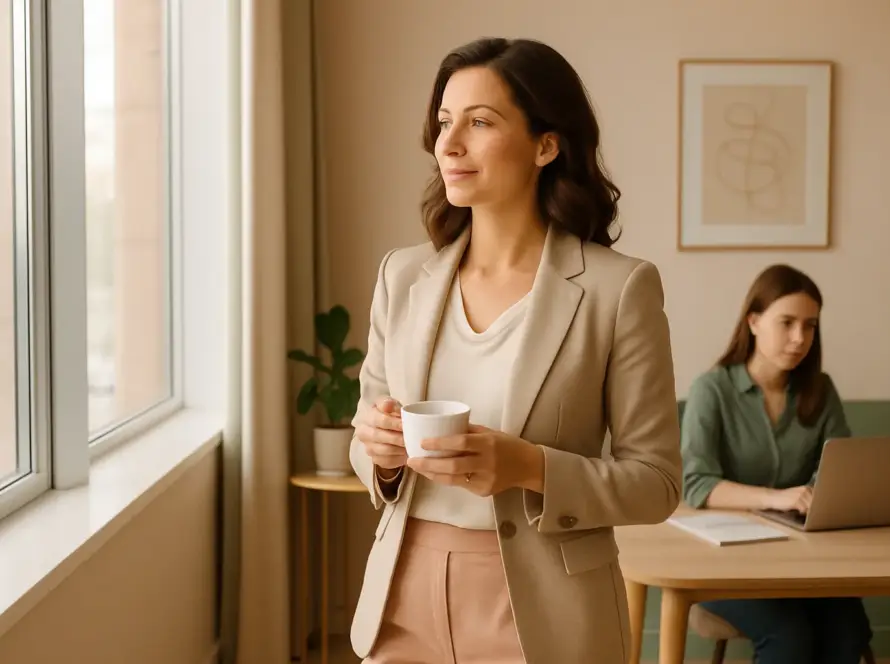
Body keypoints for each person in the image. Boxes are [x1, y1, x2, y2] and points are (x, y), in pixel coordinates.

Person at [349, 37, 682, 664]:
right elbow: (365, 440)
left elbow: (657, 483)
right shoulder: (402, 276)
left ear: (546, 145)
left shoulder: (619, 288)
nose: (449, 144)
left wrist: (529, 467)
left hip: (544, 612)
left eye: (479, 122)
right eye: (446, 122)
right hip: (403, 596)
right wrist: (381, 454)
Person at [681, 264, 873, 664]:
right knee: (788, 637)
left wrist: (819, 496)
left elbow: (837, 469)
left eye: (810, 325)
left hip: (805, 555)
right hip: (723, 559)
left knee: (848, 632)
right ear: (753, 321)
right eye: (787, 322)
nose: (800, 337)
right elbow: (697, 483)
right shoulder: (711, 390)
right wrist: (778, 498)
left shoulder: (820, 390)